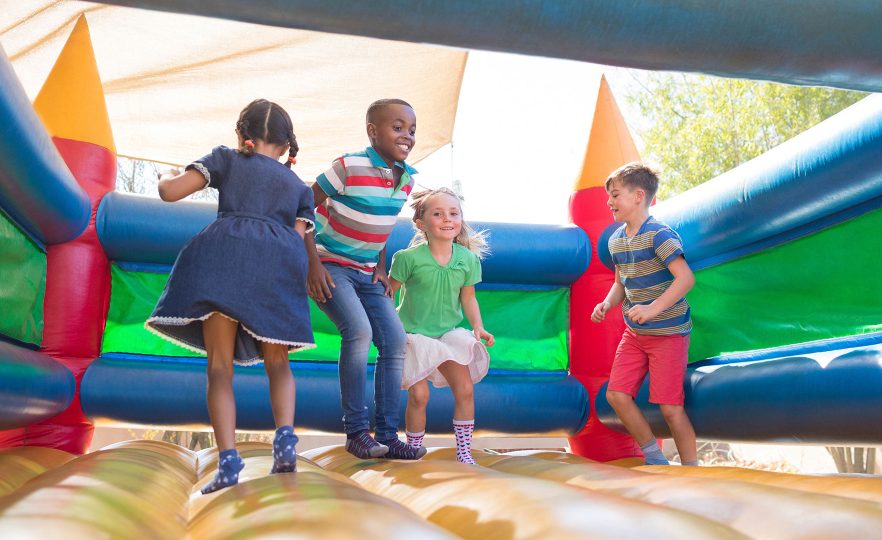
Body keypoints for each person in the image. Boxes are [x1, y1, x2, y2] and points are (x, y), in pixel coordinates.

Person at [146, 99, 315, 493]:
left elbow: (171, 193)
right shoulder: (298, 187)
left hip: (223, 258)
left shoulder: (227, 159)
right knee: (277, 361)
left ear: (242, 135)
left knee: (220, 367)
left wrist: (165, 174)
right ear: (287, 145)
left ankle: (227, 460)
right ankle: (286, 437)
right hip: (277, 264)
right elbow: (298, 236)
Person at [305, 98, 424, 460]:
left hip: (366, 272)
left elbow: (380, 227)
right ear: (373, 131)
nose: (407, 135)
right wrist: (312, 264)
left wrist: (381, 268)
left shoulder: (406, 179)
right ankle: (357, 432)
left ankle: (387, 436)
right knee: (358, 332)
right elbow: (302, 206)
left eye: (412, 130)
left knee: (395, 339)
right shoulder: (348, 166)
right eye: (398, 127)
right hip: (331, 265)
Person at [591, 162, 698, 466]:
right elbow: (620, 284)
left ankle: (692, 470)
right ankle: (653, 455)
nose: (609, 202)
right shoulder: (616, 241)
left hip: (668, 333)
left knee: (670, 408)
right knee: (616, 396)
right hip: (636, 334)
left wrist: (653, 308)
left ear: (639, 196)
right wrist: (607, 304)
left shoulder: (659, 236)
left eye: (615, 195)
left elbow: (685, 279)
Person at [388, 187, 493, 465]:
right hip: (414, 335)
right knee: (420, 395)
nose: (447, 219)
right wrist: (386, 329)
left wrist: (478, 327)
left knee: (465, 389)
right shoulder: (407, 258)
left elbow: (468, 298)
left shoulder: (467, 259)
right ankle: (414, 448)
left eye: (453, 213)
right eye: (438, 214)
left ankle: (464, 451)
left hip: (448, 334)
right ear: (421, 224)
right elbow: (388, 294)